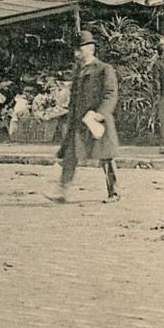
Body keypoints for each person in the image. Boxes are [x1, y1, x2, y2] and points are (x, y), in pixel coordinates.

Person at [53, 31, 120, 203]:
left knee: (106, 157)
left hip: (97, 120)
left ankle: (114, 192)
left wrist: (100, 113)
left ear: (91, 49)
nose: (76, 54)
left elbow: (110, 94)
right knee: (70, 155)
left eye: (79, 50)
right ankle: (61, 192)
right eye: (75, 51)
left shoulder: (104, 69)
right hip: (78, 120)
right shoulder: (79, 71)